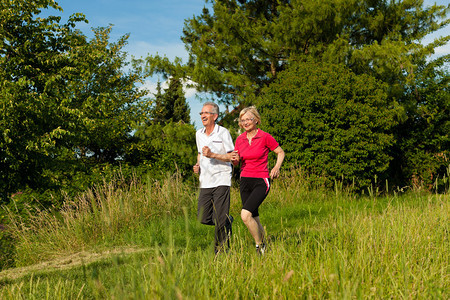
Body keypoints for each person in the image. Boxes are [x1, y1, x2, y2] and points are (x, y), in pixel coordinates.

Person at [231, 106, 285, 255]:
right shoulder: (240, 139)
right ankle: (264, 247)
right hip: (245, 181)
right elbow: (237, 161)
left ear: (256, 120)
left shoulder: (265, 136)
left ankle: (259, 246)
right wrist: (234, 161)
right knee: (254, 216)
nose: (246, 122)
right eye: (243, 120)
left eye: (248, 119)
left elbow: (280, 152)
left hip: (261, 180)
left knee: (245, 215)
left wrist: (276, 167)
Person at [194, 102, 234, 254]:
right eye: (201, 113)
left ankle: (221, 251)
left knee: (219, 217)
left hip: (222, 178)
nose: (203, 115)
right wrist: (197, 165)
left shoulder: (223, 133)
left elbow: (232, 156)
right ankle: (226, 221)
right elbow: (199, 153)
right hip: (206, 180)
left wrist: (213, 155)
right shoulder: (199, 134)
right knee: (203, 217)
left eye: (206, 113)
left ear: (215, 116)